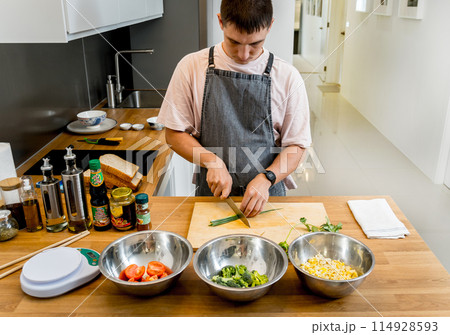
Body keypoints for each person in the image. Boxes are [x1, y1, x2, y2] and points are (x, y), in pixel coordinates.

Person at [157, 0, 311, 217]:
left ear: (270, 26)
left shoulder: (287, 77)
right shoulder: (191, 67)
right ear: (221, 21)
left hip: (267, 199)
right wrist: (211, 161)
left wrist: (266, 178)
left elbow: (297, 146)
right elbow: (173, 134)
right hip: (212, 200)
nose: (244, 55)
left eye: (255, 44)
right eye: (234, 42)